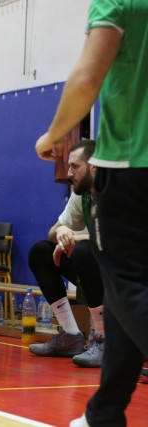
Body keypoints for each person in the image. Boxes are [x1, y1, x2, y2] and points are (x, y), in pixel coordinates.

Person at [35, 2, 148, 425]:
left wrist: (55, 134)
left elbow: (87, 77)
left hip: (132, 166)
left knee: (129, 289)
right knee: (125, 300)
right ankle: (103, 413)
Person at [28, 140, 105, 367]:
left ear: (93, 167)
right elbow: (53, 231)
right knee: (41, 251)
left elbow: (118, 240)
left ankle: (104, 340)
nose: (69, 173)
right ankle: (71, 336)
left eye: (75, 166)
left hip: (130, 277)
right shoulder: (81, 194)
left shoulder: (117, 191)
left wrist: (76, 238)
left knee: (83, 250)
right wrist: (62, 231)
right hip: (103, 271)